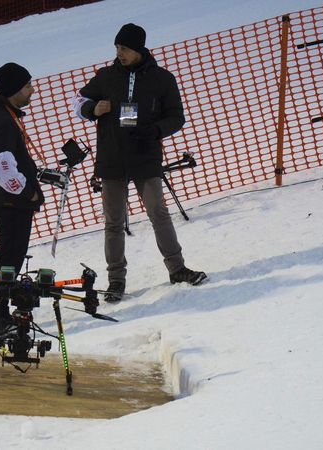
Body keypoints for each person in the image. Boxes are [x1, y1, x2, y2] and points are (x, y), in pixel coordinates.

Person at [71, 23, 207, 301]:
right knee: (114, 222)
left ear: (139, 49)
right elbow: (77, 100)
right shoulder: (105, 76)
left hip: (145, 155)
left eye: (125, 48)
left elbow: (176, 116)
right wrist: (91, 109)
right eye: (117, 48)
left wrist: (156, 130)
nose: (119, 53)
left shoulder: (162, 79)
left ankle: (177, 268)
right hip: (111, 158)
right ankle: (116, 280)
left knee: (158, 212)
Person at [0, 62, 45, 337]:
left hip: (12, 203)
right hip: (12, 204)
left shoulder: (4, 117)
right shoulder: (2, 121)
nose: (32, 90)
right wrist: (30, 192)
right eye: (27, 86)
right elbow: (3, 170)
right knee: (6, 263)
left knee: (7, 262)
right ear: (14, 89)